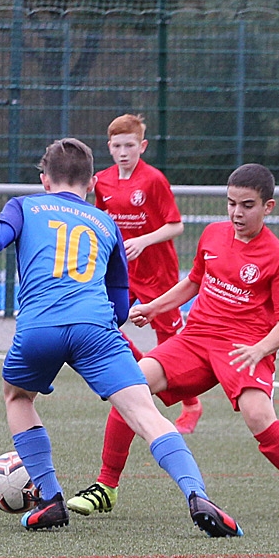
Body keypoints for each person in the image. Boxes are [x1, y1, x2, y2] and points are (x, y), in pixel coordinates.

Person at [0, 137, 242, 537]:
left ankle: (50, 498)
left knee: (17, 396)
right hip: (95, 328)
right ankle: (197, 495)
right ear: (93, 183)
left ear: (44, 180)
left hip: (40, 328)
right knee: (145, 414)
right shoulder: (106, 223)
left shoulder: (24, 206)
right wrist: (102, 334)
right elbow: (119, 303)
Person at [66, 163, 279, 522]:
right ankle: (106, 487)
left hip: (243, 348)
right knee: (131, 387)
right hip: (196, 339)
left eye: (247, 205)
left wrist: (260, 349)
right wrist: (154, 307)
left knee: (258, 416)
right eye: (231, 203)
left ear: (268, 207)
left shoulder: (276, 256)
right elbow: (194, 282)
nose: (237, 212)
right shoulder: (213, 235)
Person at [92, 114, 202, 434]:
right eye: (117, 146)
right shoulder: (102, 181)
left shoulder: (153, 180)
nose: (123, 152)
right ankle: (143, 370)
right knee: (104, 321)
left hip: (157, 272)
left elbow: (175, 225)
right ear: (109, 147)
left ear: (142, 146)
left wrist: (143, 240)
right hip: (121, 272)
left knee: (170, 341)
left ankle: (191, 404)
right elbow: (100, 221)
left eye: (129, 145)